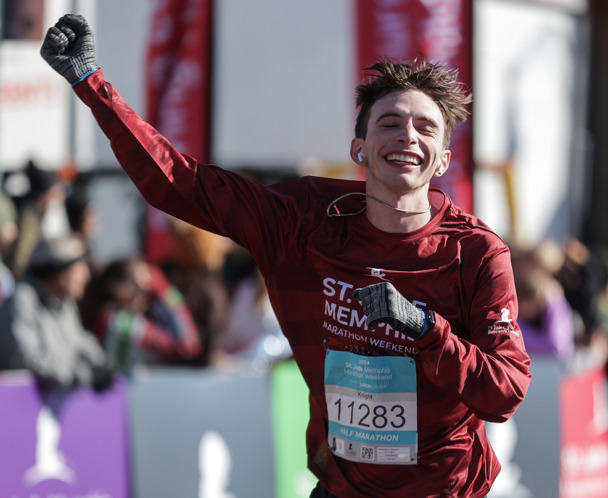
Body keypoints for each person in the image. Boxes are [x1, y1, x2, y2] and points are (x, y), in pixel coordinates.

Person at [40, 14, 531, 497]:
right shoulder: (304, 221)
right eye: (390, 123)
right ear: (359, 148)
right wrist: (90, 82)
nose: (408, 136)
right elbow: (180, 183)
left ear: (443, 158)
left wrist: (425, 331)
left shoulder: (477, 253)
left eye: (426, 127)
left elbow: (505, 391)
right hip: (341, 488)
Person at [0, 233, 114, 392]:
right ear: (59, 271)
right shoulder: (22, 301)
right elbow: (25, 359)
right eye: (80, 267)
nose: (86, 276)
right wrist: (84, 374)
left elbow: (78, 341)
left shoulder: (64, 302)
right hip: (23, 410)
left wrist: (101, 363)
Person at [79, 256, 202, 374]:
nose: (148, 298)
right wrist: (165, 291)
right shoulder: (123, 325)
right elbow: (189, 346)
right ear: (120, 292)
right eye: (142, 290)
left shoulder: (109, 316)